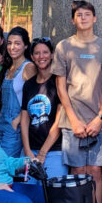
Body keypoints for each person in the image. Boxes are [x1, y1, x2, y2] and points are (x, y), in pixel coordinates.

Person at [52, 1, 102, 203]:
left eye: (88, 14)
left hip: (99, 121)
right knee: (77, 172)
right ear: (73, 20)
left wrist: (100, 117)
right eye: (79, 15)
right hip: (72, 121)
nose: (84, 18)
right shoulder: (64, 46)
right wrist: (74, 119)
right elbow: (60, 86)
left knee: (95, 172)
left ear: (95, 18)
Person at [21, 38, 64, 179]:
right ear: (32, 57)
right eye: (37, 53)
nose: (41, 56)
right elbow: (24, 120)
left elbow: (59, 122)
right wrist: (27, 150)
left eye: (45, 52)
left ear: (52, 55)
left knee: (52, 190)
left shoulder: (58, 82)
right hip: (30, 150)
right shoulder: (28, 85)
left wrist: (43, 153)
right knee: (27, 190)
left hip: (54, 151)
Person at [0, 27, 36, 156]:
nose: (12, 47)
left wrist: (17, 121)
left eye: (17, 43)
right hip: (1, 121)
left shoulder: (28, 67)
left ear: (25, 46)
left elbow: (34, 99)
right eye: (10, 43)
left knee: (7, 161)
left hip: (15, 124)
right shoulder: (8, 67)